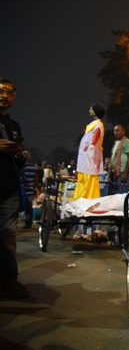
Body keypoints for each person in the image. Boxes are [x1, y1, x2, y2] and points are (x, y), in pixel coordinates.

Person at [0, 78, 30, 298]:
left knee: (8, 234)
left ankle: (9, 281)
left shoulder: (13, 126)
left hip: (8, 187)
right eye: (1, 91)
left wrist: (19, 154)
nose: (5, 96)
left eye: (9, 93)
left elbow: (19, 163)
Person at [73, 104, 105, 201]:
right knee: (83, 178)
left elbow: (96, 134)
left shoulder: (98, 125)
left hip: (90, 156)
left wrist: (92, 144)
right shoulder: (93, 124)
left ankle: (86, 199)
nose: (89, 110)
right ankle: (80, 199)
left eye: (91, 109)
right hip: (86, 155)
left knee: (88, 178)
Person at [18, 151, 39, 229]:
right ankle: (28, 223)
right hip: (29, 191)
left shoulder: (19, 167)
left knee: (17, 206)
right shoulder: (34, 168)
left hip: (20, 191)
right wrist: (34, 189)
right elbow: (35, 181)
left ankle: (14, 223)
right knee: (29, 207)